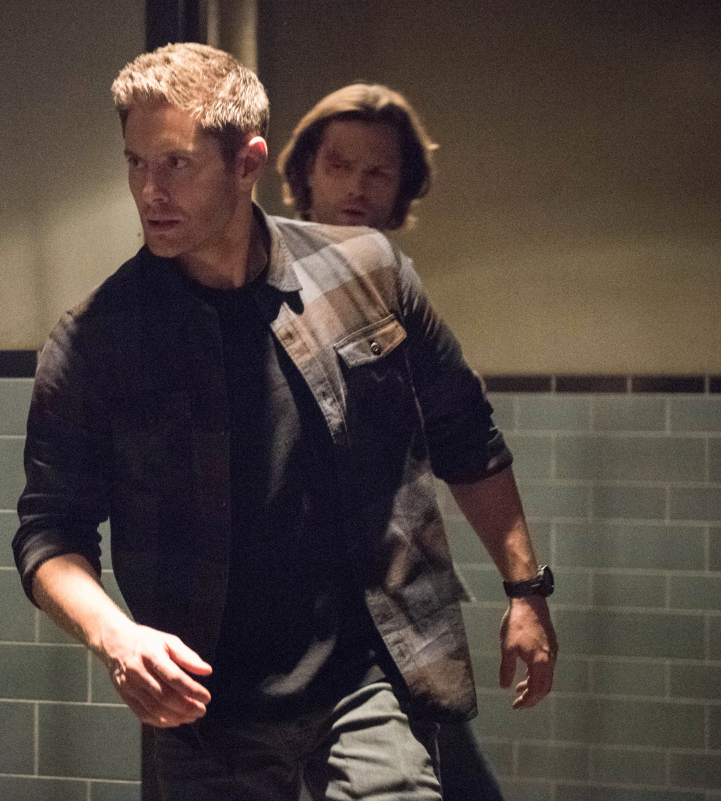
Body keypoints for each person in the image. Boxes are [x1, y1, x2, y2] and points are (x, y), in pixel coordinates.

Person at [14, 43, 557, 800]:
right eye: (135, 163)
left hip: (365, 684)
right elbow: (49, 531)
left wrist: (526, 588)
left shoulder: (370, 272)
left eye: (175, 164)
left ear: (248, 162)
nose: (148, 190)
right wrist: (118, 638)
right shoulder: (99, 337)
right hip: (206, 711)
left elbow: (467, 436)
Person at [279, 83, 509, 801]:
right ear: (306, 171)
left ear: (403, 182)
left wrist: (526, 587)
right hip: (289, 625)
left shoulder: (390, 279)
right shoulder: (261, 275)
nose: (357, 186)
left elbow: (463, 434)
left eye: (378, 171)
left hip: (393, 605)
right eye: (340, 165)